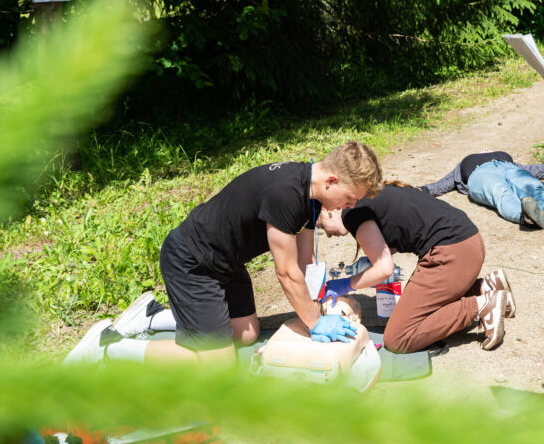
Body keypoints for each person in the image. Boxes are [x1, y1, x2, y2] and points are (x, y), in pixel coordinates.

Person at [64, 141, 383, 367]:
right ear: (332, 180)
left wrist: (322, 304)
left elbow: (304, 263)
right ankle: (109, 346)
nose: (350, 206)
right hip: (192, 261)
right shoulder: (286, 195)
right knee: (214, 366)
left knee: (246, 335)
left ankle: (153, 316)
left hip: (226, 261)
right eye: (351, 197)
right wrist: (315, 323)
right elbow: (286, 273)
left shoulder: (312, 194)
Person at [318, 183, 516, 353]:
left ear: (328, 209)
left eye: (320, 226)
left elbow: (384, 268)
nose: (326, 235)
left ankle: (482, 306)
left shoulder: (353, 212)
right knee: (415, 306)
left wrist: (344, 285)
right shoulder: (371, 195)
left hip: (451, 255)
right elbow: (387, 250)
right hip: (469, 243)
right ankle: (485, 287)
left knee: (398, 338)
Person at [421, 150, 544, 229]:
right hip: (480, 174)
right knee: (501, 193)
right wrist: (417, 191)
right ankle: (525, 215)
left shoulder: (504, 157)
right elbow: (441, 185)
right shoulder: (466, 162)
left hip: (509, 168)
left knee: (533, 187)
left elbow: (537, 170)